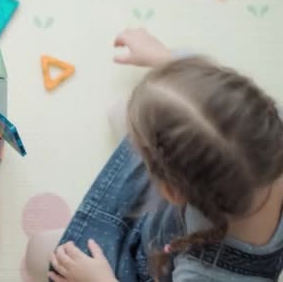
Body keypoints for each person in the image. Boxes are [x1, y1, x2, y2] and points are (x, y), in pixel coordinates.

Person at [26, 29, 283, 281]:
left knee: (39, 252)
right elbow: (222, 110)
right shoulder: (269, 126)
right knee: (150, 105)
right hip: (182, 218)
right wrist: (165, 59)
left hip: (161, 258)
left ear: (170, 192)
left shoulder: (201, 275)